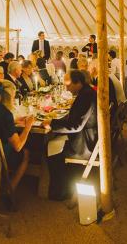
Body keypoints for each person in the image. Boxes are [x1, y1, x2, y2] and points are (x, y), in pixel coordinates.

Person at [43, 70, 98, 200]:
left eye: (68, 85)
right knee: (53, 141)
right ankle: (60, 188)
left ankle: (60, 192)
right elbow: (75, 119)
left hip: (84, 143)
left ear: (78, 83)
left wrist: (52, 124)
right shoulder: (86, 92)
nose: (66, 88)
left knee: (50, 147)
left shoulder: (86, 96)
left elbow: (76, 126)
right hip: (88, 136)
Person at [0, 80, 33, 192]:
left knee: (7, 145)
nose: (13, 100)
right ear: (8, 97)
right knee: (26, 153)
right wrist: (28, 127)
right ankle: (10, 188)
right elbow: (18, 146)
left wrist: (14, 121)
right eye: (13, 97)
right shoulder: (5, 113)